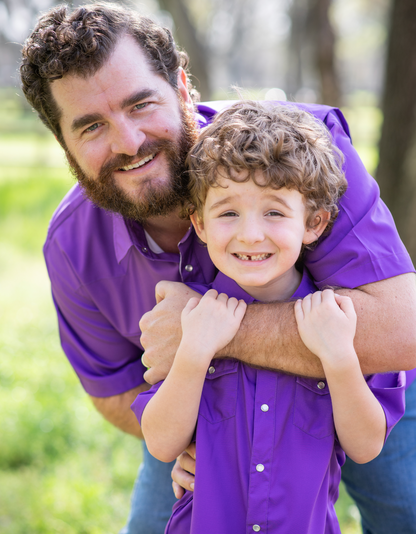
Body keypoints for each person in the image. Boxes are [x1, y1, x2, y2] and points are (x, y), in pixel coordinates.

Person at [19, 3, 416, 534]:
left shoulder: (302, 153)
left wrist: (209, 327)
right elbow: (113, 391)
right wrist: (195, 443)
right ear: (63, 142)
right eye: (91, 126)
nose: (129, 142)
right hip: (204, 419)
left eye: (141, 104)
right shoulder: (72, 246)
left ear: (182, 87)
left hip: (356, 391)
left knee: (407, 511)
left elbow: (403, 327)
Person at [132, 100, 406, 533]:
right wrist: (194, 352)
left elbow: (367, 446)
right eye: (228, 213)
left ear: (314, 223)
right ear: (199, 225)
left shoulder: (338, 320)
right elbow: (164, 444)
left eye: (274, 211)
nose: (250, 234)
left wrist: (337, 359)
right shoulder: (192, 319)